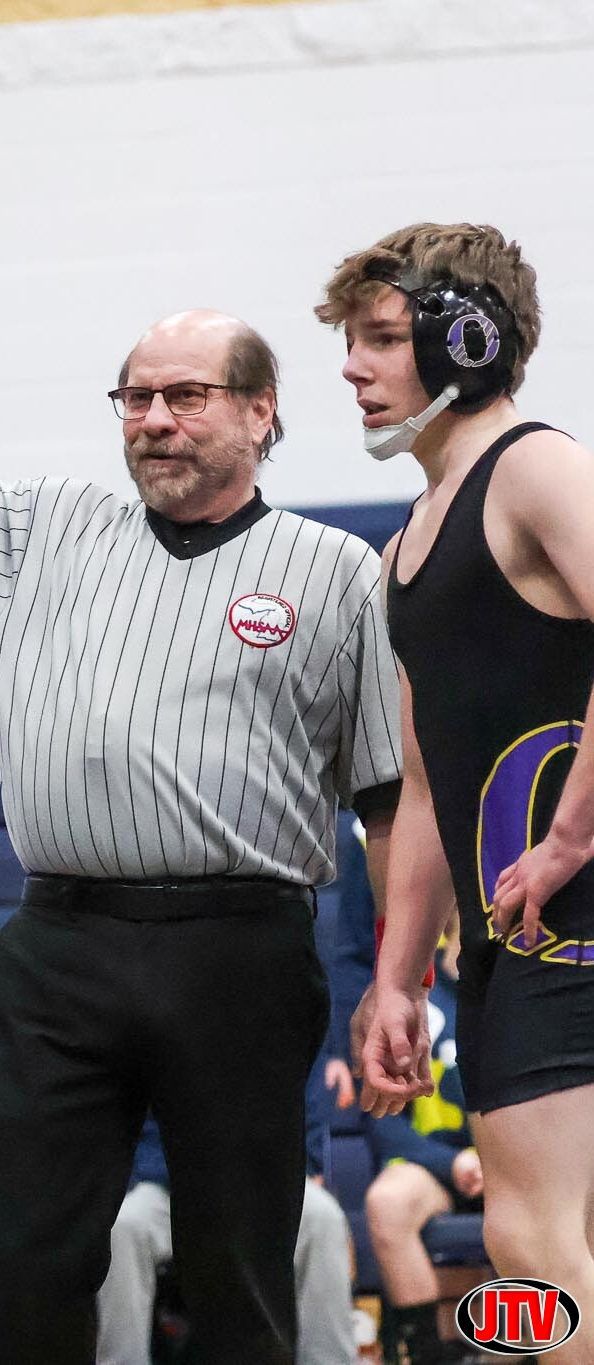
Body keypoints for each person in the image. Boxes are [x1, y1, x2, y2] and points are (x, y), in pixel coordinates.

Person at [0, 278, 404, 1363]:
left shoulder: (338, 573)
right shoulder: (40, 532)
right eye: (134, 397)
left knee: (242, 1268)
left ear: (260, 411)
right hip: (63, 947)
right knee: (17, 1248)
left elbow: (388, 803)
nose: (153, 419)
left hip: (242, 950)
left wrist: (395, 980)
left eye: (185, 396)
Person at [338, 223, 594, 1361]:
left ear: (469, 341)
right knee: (548, 1235)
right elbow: (427, 778)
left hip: (567, 907)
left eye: (382, 338)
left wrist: (569, 837)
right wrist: (398, 977)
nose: (353, 367)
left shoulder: (536, 468)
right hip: (516, 924)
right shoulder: (409, 543)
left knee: (531, 1237)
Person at [95, 1061, 355, 1365]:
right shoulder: (157, 1036)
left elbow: (304, 1104)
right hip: (174, 1184)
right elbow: (139, 1124)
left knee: (323, 1218)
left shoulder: (275, 1033)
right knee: (124, 1225)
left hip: (266, 1186)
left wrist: (300, 1164)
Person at [363, 944, 472, 1365]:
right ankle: (430, 1355)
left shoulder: (527, 976)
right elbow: (383, 1121)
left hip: (518, 1162)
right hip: (438, 1164)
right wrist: (451, 1163)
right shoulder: (410, 986)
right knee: (386, 1203)